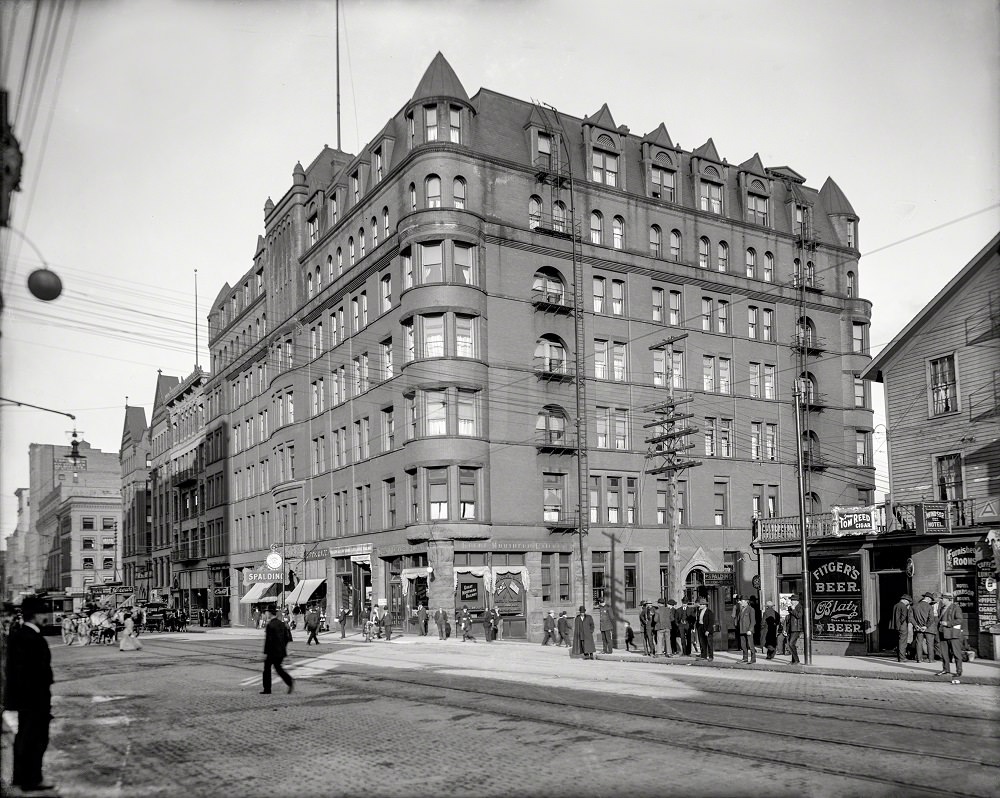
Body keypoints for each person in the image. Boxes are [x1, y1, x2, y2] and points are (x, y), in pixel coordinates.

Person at [5, 596, 56, 792]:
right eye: (43, 613)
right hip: (34, 698)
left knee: (25, 737)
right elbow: (27, 672)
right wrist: (37, 699)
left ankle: (21, 777)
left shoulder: (21, 635)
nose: (46, 617)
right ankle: (32, 779)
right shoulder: (29, 637)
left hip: (28, 698)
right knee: (36, 738)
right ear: (35, 615)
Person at [261, 606, 294, 695]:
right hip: (281, 651)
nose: (265, 614)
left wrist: (265, 653)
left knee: (267, 669)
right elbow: (287, 638)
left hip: (272, 652)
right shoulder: (281, 624)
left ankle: (267, 689)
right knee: (278, 668)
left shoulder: (270, 625)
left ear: (269, 613)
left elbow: (269, 640)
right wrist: (283, 648)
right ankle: (289, 681)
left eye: (266, 612)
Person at [936, 593, 965, 683]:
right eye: (942, 598)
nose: (942, 600)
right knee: (944, 653)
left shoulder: (956, 608)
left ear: (948, 599)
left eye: (943, 599)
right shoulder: (941, 608)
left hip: (953, 634)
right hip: (943, 634)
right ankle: (945, 669)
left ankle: (959, 671)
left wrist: (948, 623)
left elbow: (959, 620)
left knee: (956, 654)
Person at [910, 592, 937, 663]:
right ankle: (931, 659)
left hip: (918, 628)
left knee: (919, 643)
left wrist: (916, 625)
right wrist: (926, 626)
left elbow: (911, 617)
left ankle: (919, 659)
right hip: (929, 628)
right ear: (928, 598)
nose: (930, 601)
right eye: (930, 600)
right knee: (930, 643)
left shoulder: (914, 606)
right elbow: (931, 618)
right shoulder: (929, 607)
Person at [890, 594, 913, 662]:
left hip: (896, 626)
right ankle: (902, 658)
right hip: (902, 626)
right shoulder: (903, 606)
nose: (908, 603)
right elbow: (903, 616)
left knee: (899, 641)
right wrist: (901, 623)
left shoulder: (896, 605)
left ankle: (899, 657)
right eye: (908, 601)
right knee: (903, 642)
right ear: (905, 600)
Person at [737, 597, 756, 664]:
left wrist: (750, 630)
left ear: (746, 602)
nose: (741, 602)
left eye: (742, 601)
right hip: (742, 630)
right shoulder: (742, 610)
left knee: (751, 645)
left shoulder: (751, 609)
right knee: (743, 645)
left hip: (748, 631)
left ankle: (753, 659)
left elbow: (753, 621)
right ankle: (745, 658)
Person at [786, 595, 804, 664]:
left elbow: (799, 616)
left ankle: (796, 660)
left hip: (797, 628)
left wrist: (793, 609)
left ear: (796, 601)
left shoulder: (800, 607)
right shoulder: (793, 607)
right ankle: (794, 660)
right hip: (792, 628)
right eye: (791, 600)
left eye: (792, 600)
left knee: (791, 644)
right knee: (791, 644)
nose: (791, 602)